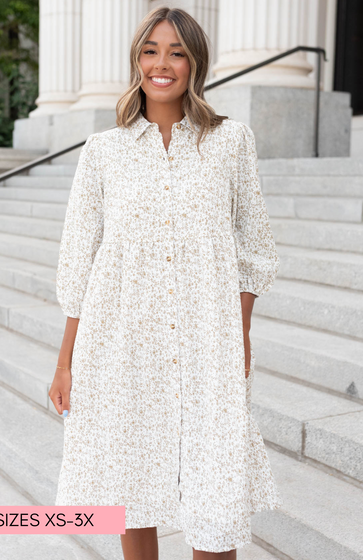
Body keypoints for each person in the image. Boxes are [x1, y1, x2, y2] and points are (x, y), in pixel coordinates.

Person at [49, 6, 283, 560]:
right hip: (123, 340)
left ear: (195, 63)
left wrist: (240, 330)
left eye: (177, 51)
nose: (163, 63)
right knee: (132, 488)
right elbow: (78, 259)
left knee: (216, 501)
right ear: (136, 61)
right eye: (151, 50)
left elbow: (254, 246)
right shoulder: (102, 152)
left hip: (209, 340)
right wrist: (66, 361)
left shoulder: (231, 142)